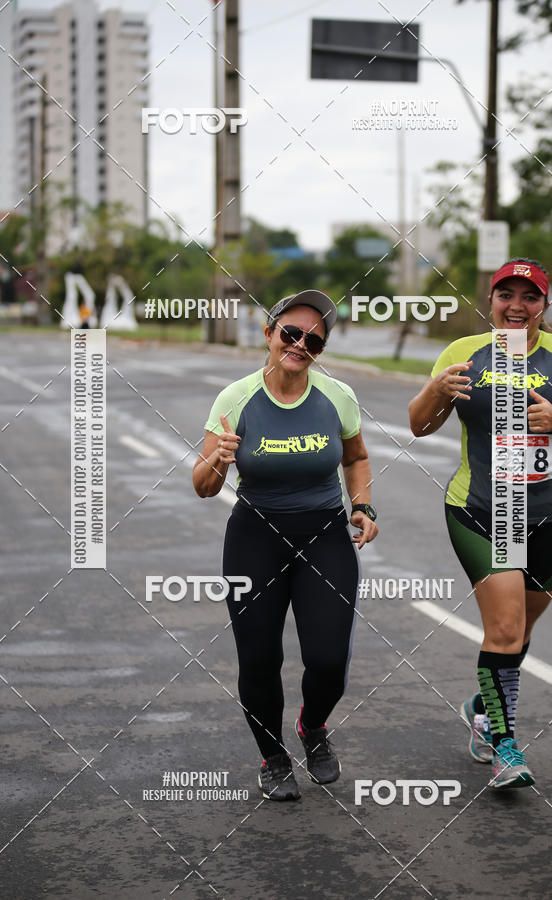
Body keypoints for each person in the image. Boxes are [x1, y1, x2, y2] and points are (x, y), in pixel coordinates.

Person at [408, 258, 552, 789]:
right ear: (489, 301)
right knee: (506, 629)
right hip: (480, 512)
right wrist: (437, 391)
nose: (516, 307)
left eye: (529, 297)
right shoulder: (462, 354)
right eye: (505, 296)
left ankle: (481, 704)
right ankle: (504, 747)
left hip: (547, 516)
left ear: (544, 305)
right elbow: (419, 426)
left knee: (517, 634)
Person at [193, 290, 379, 801]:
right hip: (256, 535)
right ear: (269, 332)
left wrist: (362, 506)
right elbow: (203, 487)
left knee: (327, 658)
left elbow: (356, 458)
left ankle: (312, 726)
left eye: (313, 340)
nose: (300, 344)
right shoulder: (236, 399)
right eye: (290, 333)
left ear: (321, 348)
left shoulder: (337, 396)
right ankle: (272, 755)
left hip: (323, 534)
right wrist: (220, 460)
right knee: (258, 659)